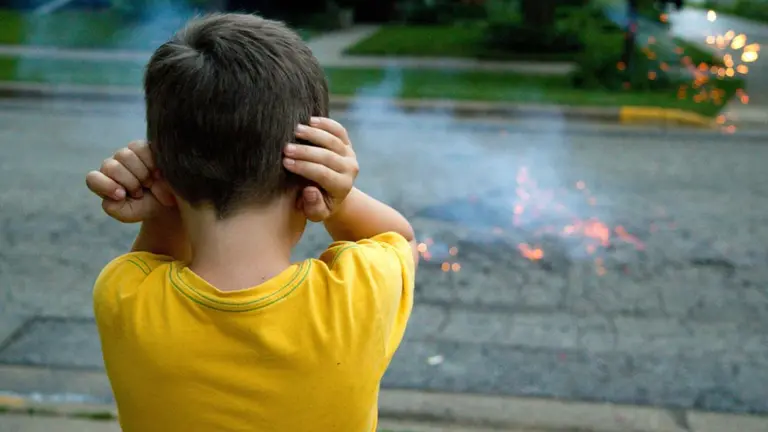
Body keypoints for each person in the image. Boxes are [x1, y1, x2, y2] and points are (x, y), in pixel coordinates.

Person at [85, 13, 418, 432]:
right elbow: (397, 238)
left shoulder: (122, 295)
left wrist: (163, 202)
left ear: (164, 173)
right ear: (310, 174)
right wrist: (342, 198)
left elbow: (154, 261)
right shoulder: (358, 296)